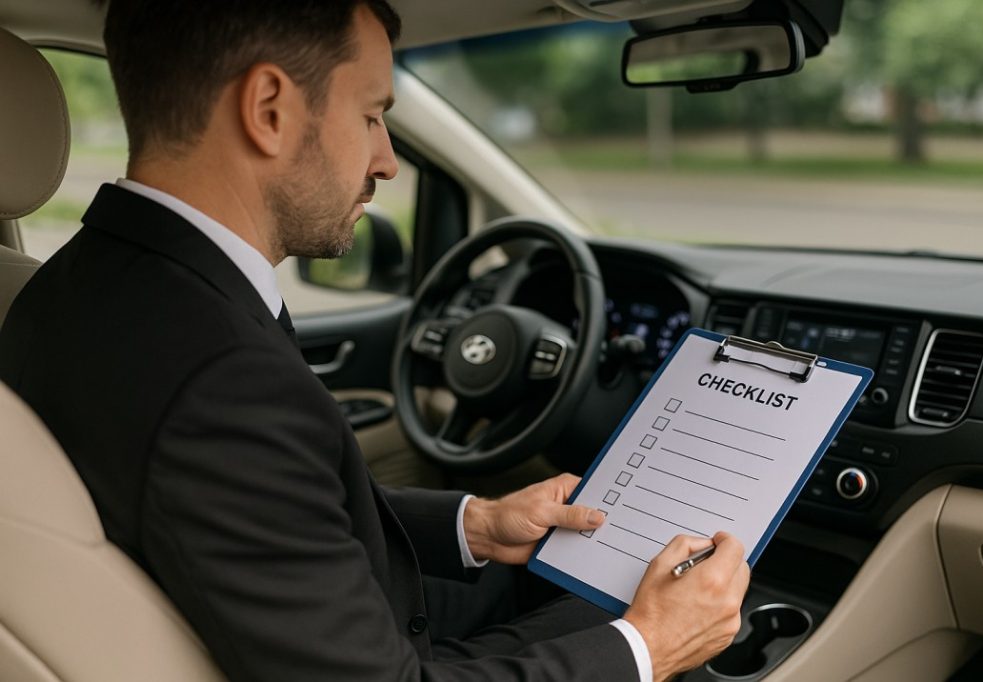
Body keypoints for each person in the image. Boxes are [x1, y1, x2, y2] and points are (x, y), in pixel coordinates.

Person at [0, 1, 749, 680]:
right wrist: (649, 647)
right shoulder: (222, 380)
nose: (387, 158)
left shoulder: (74, 285)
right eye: (369, 116)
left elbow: (266, 509)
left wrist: (475, 524)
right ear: (268, 109)